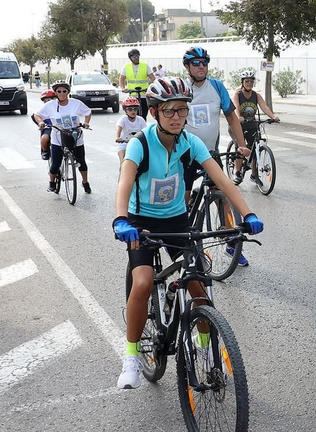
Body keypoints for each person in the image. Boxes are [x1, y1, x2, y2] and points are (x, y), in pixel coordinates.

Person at [113, 76, 262, 389]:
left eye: (182, 110)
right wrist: (121, 219)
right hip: (141, 223)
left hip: (178, 221)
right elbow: (125, 182)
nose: (177, 117)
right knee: (141, 282)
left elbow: (221, 180)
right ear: (155, 113)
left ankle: (206, 344)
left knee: (198, 288)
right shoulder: (140, 143)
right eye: (169, 111)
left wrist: (246, 214)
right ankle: (130, 356)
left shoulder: (190, 143)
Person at [181, 46, 252, 266]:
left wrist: (242, 145)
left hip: (210, 153)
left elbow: (231, 118)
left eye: (204, 62)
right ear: (187, 66)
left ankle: (231, 242)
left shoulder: (216, 87)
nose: (201, 66)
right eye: (196, 63)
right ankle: (184, 240)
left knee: (222, 196)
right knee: (182, 198)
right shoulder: (182, 88)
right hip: (185, 153)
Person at [37, 81, 93, 194]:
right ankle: (52, 182)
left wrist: (86, 122)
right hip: (58, 137)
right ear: (56, 93)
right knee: (55, 164)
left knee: (81, 162)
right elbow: (37, 115)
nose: (62, 93)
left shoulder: (76, 103)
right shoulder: (50, 105)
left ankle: (85, 182)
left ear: (68, 92)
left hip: (75, 136)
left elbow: (88, 112)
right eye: (59, 91)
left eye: (64, 91)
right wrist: (41, 122)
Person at [232, 69, 279, 179]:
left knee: (255, 147)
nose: (249, 83)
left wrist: (273, 117)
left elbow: (264, 107)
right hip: (238, 125)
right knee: (242, 148)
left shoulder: (256, 95)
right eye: (247, 81)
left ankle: (254, 175)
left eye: (251, 81)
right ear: (242, 82)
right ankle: (237, 171)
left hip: (251, 124)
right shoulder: (237, 94)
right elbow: (236, 107)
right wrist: (239, 117)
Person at [114, 96, 147, 165]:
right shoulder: (123, 119)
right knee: (123, 162)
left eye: (135, 109)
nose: (133, 111)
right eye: (130, 109)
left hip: (136, 144)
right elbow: (118, 130)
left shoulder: (141, 120)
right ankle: (122, 174)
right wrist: (117, 137)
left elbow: (145, 132)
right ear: (125, 110)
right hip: (123, 144)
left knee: (142, 161)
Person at [32, 88, 57, 157]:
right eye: (45, 101)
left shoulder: (61, 106)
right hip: (49, 128)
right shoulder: (44, 109)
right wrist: (41, 122)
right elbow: (36, 115)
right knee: (44, 138)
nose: (47, 103)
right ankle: (45, 151)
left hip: (61, 127)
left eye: (49, 100)